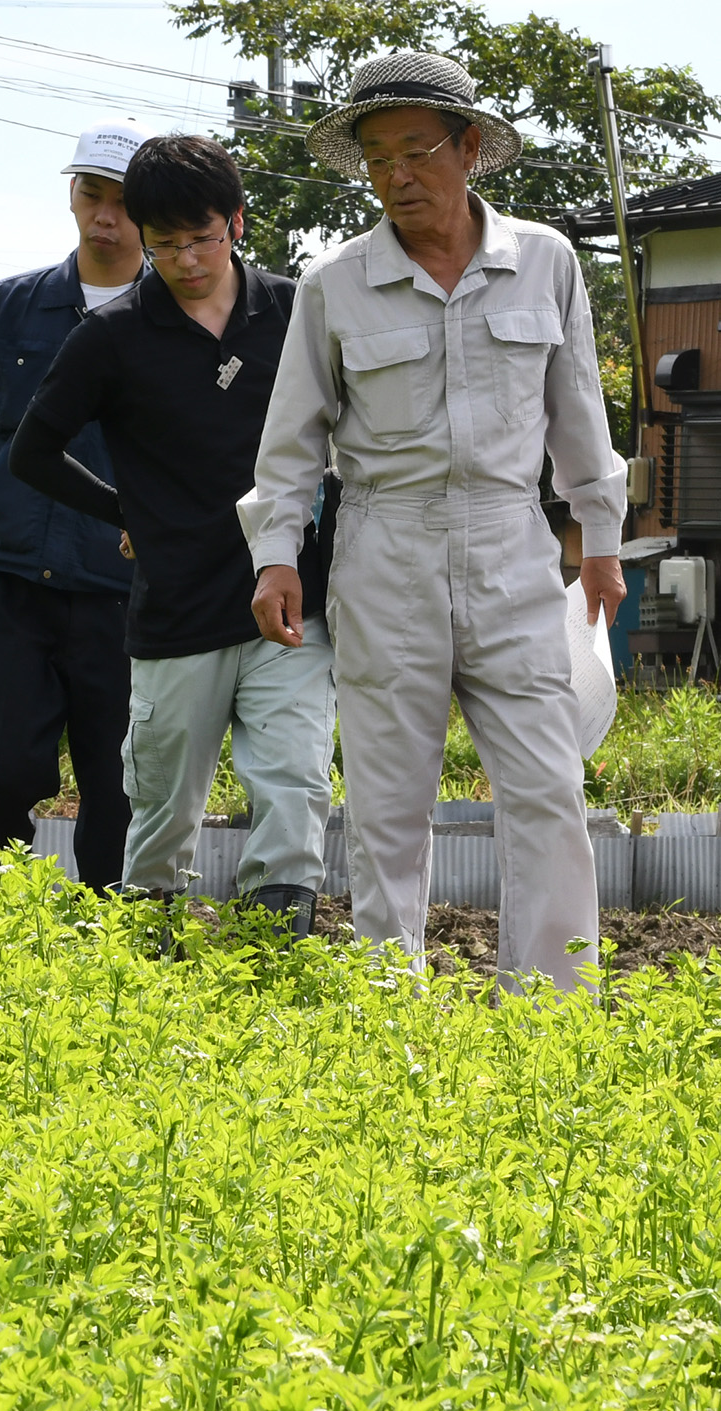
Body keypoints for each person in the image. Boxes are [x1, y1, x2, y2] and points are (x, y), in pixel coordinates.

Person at [241, 51, 627, 989]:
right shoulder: (334, 281)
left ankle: (551, 1007)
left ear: (470, 147)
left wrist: (602, 540)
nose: (396, 175)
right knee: (386, 803)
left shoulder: (544, 262)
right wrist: (274, 554)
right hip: (385, 547)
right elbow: (291, 435)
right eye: (375, 158)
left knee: (546, 787)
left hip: (510, 543)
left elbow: (578, 410)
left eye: (414, 151)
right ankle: (389, 1005)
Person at [10, 134, 335, 937]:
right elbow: (31, 451)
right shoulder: (114, 334)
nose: (187, 260)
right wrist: (129, 513)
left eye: (202, 238)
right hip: (177, 607)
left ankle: (275, 952)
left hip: (291, 599)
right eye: (164, 245)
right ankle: (148, 958)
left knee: (294, 783)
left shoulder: (295, 310)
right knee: (160, 808)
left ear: (235, 221)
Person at [0, 119, 149, 892]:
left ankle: (115, 937)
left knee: (119, 780)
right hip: (12, 575)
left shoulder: (173, 316)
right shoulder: (10, 306)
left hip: (122, 588)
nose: (105, 216)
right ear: (70, 194)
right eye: (91, 194)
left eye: (124, 203)